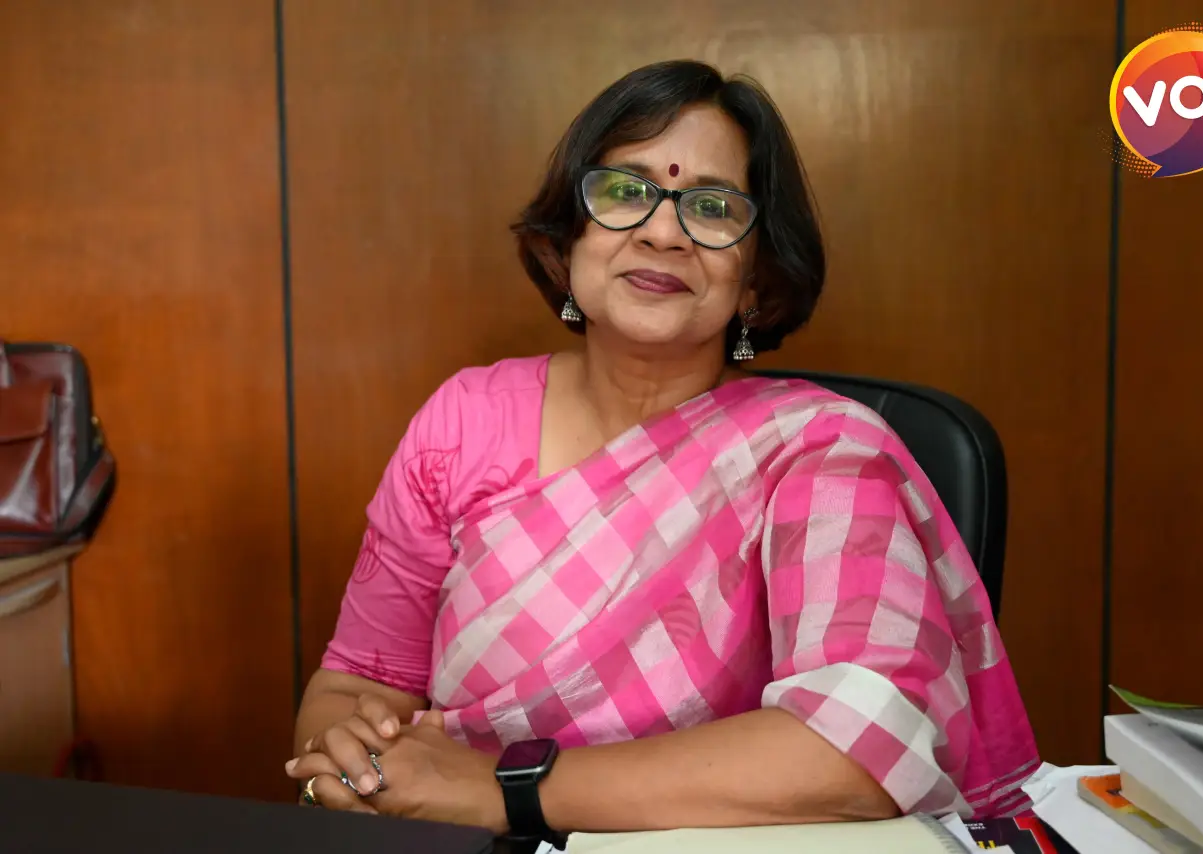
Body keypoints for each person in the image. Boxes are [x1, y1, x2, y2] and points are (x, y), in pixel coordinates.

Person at [285, 59, 1039, 845]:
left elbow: (858, 751)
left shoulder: (819, 451)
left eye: (712, 208)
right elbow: (357, 682)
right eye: (624, 191)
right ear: (564, 245)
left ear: (756, 282)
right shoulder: (464, 422)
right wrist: (350, 759)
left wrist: (502, 788)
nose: (662, 231)